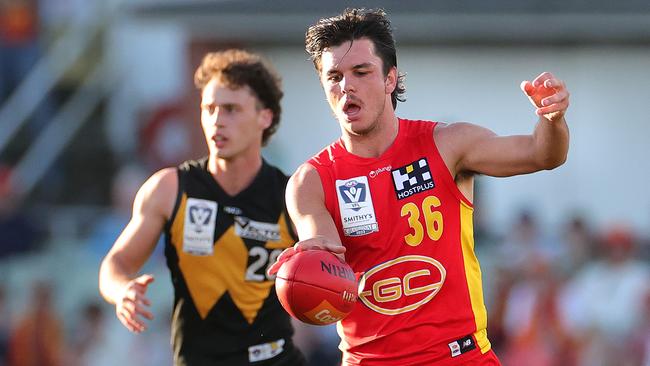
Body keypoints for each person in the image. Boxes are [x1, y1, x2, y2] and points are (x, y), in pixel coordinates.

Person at [268, 8, 570, 365]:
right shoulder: (311, 180)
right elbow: (324, 250)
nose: (346, 86)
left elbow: (542, 154)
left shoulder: (446, 144)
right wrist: (308, 261)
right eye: (334, 76)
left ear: (390, 79)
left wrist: (552, 119)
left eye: (361, 72)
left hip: (461, 357)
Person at [99, 49, 306, 366]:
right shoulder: (169, 188)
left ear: (265, 116)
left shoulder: (292, 194)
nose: (216, 121)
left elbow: (332, 270)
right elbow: (116, 264)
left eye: (231, 109)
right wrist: (122, 290)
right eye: (208, 109)